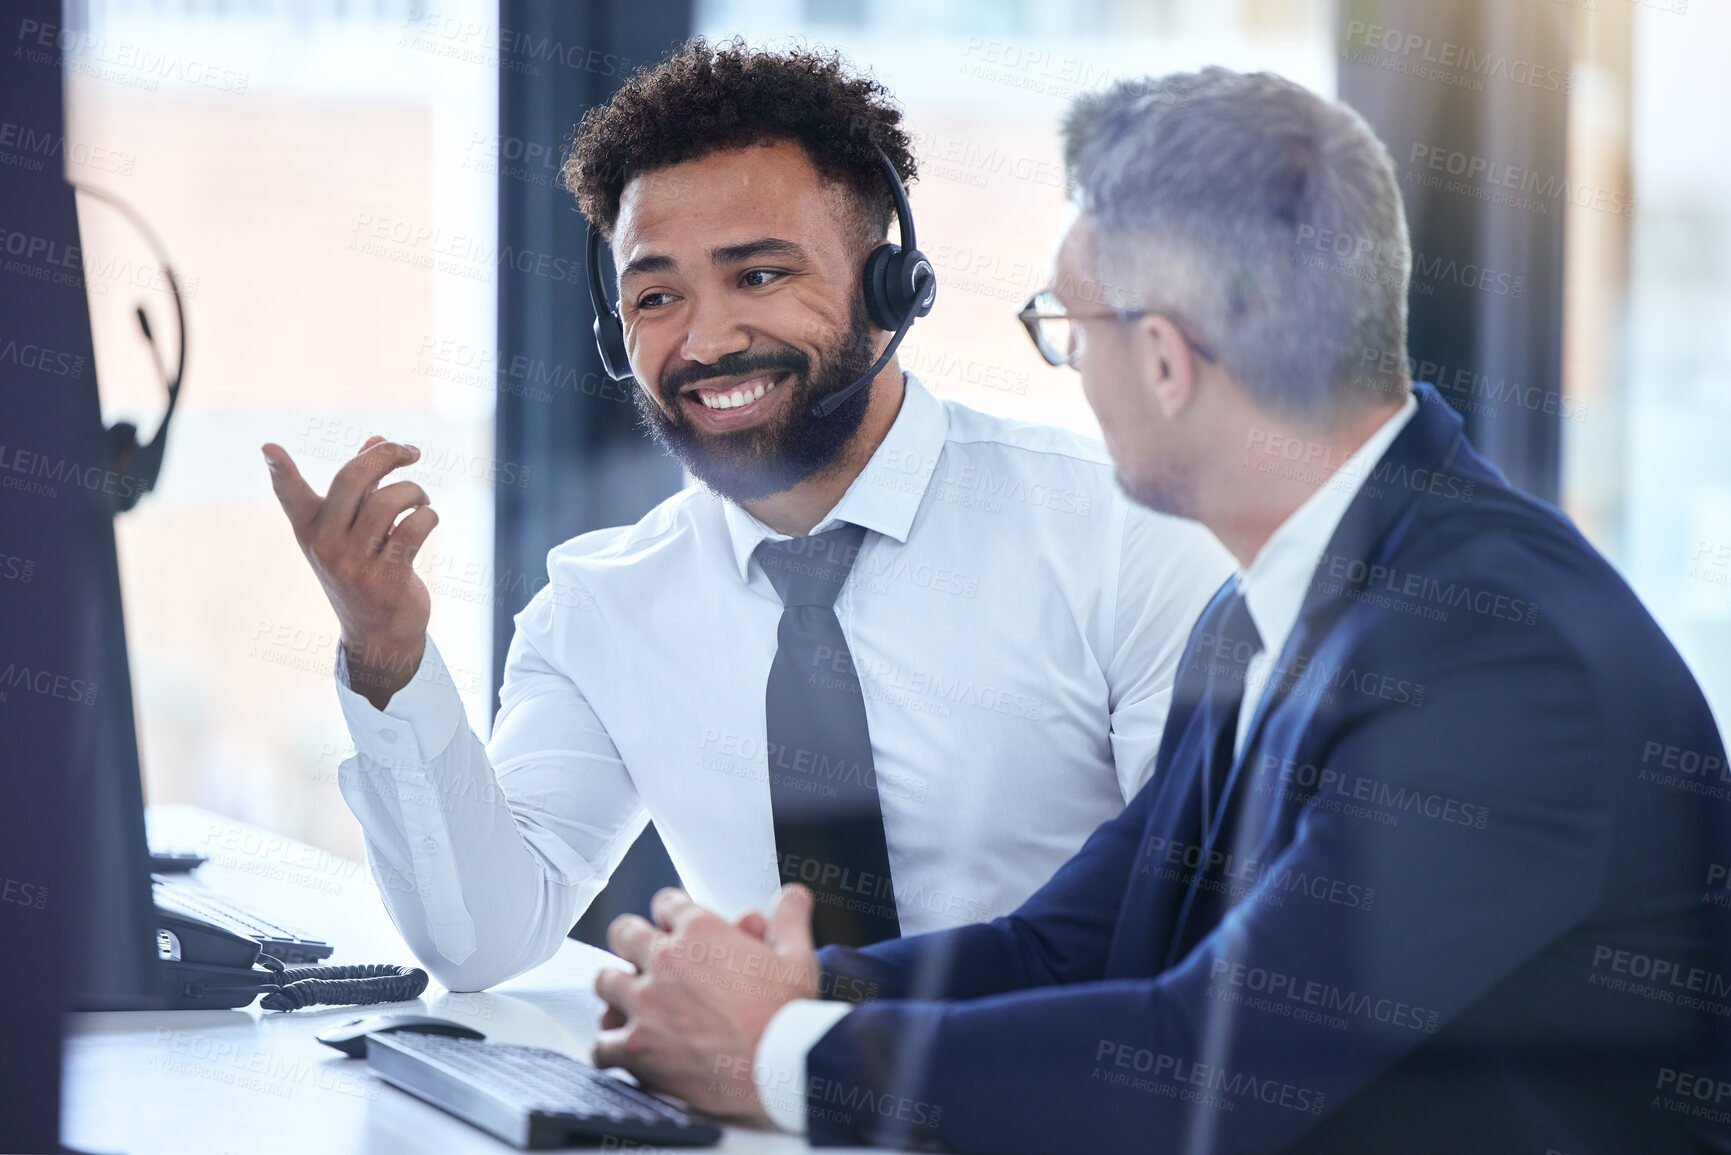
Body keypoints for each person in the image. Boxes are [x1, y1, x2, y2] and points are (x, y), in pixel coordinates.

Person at [584, 68, 1731, 1154]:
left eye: (1069, 332)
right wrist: (806, 991)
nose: (1070, 372)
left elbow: (1206, 1073)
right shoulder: (1255, 614)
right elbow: (1075, 943)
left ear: (1169, 361)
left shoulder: (1496, 653)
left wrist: (783, 1058)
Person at [258, 40, 1232, 991]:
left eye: (759, 275)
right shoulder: (604, 607)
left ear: (891, 290)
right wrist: (386, 654)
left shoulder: (1126, 532)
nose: (708, 338)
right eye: (656, 295)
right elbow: (480, 939)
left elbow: (1180, 928)